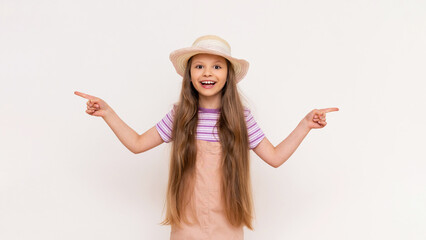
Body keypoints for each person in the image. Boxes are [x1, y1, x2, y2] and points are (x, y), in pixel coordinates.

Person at [74, 35, 339, 240]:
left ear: (228, 75)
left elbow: (275, 157)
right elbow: (137, 143)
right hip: (186, 223)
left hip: (228, 222)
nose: (208, 73)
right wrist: (108, 113)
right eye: (199, 66)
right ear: (190, 74)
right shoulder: (180, 117)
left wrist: (305, 125)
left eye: (216, 66)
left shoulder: (240, 119)